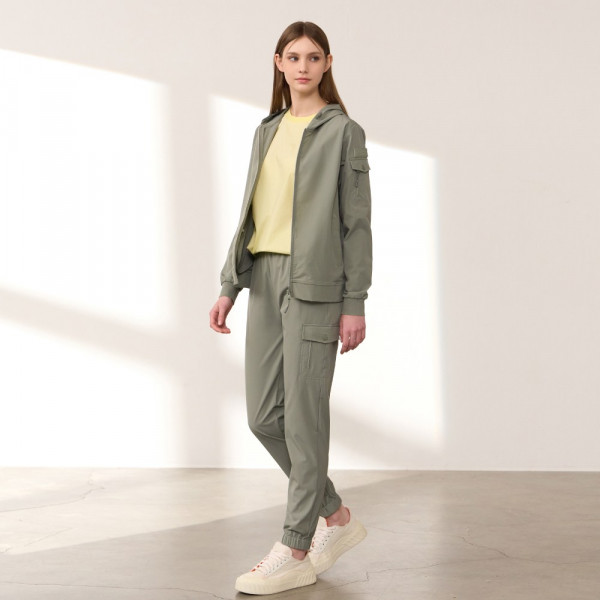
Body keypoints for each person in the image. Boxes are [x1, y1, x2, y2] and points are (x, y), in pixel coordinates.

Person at [209, 21, 372, 596]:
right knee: (264, 416)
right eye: (293, 57)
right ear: (278, 62)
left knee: (305, 418)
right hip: (265, 277)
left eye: (314, 57)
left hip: (317, 285)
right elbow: (250, 212)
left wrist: (354, 301)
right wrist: (230, 283)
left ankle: (296, 546)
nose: (303, 66)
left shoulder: (344, 132)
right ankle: (337, 516)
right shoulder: (268, 130)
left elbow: (356, 225)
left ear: (327, 64)